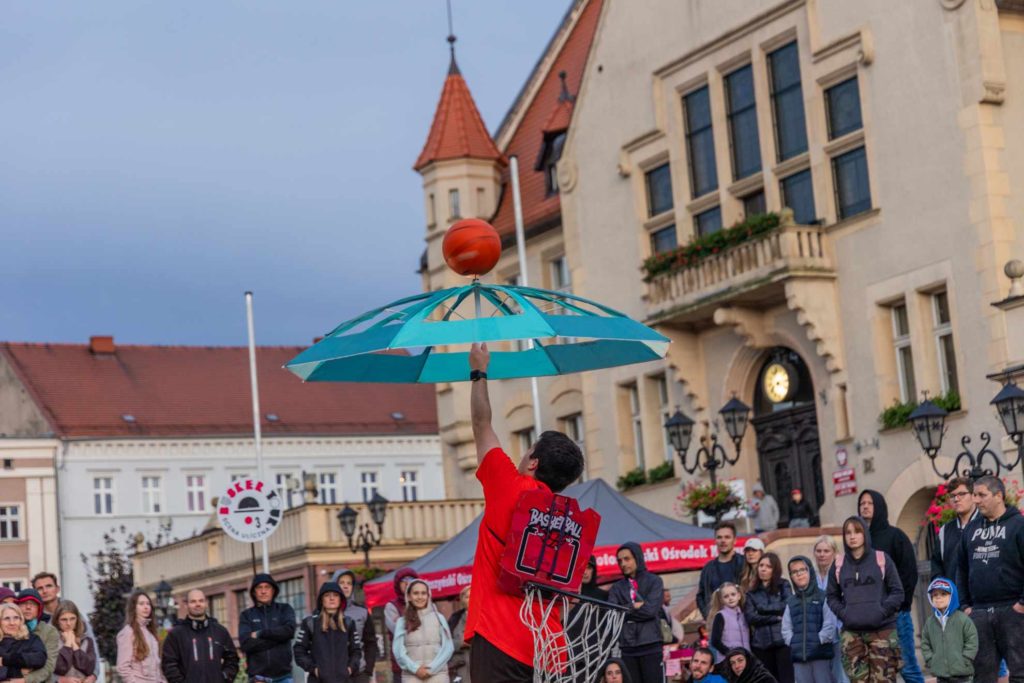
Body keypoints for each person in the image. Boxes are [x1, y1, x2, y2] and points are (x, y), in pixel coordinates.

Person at [465, 343, 584, 682]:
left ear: (533, 462)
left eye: (528, 449)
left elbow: (480, 423)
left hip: (499, 635)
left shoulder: (510, 486)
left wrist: (479, 370)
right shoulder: (569, 518)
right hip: (549, 644)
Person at [955, 475, 1024, 681]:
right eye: (974, 495)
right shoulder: (971, 529)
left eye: (981, 495)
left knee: (1020, 674)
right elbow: (961, 568)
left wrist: (1022, 604)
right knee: (982, 676)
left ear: (999, 496)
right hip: (979, 613)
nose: (976, 500)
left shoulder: (1018, 525)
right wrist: (966, 606)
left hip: (1013, 611)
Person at [825, 516, 904, 683]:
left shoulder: (882, 559)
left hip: (882, 631)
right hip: (852, 634)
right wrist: (844, 613)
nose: (852, 536)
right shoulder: (838, 564)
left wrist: (881, 612)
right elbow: (831, 596)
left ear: (865, 534)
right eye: (848, 533)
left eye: (857, 532)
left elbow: (897, 592)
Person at [856, 490, 922, 683]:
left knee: (908, 668)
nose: (865, 506)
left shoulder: (895, 536)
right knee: (880, 673)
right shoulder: (857, 542)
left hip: (896, 615)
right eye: (862, 503)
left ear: (879, 506)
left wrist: (898, 604)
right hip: (868, 618)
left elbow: (909, 574)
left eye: (870, 503)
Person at [608, 542, 665, 683]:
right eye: (620, 560)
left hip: (651, 645)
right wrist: (635, 606)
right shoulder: (616, 587)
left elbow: (651, 611)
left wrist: (625, 609)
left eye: (627, 559)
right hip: (627, 648)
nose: (623, 563)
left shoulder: (655, 581)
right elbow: (614, 613)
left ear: (637, 558)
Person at [161, 589, 239, 683]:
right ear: (186, 605)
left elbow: (232, 658)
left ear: (206, 603)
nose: (198, 604)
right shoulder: (176, 634)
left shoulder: (220, 631)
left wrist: (225, 676)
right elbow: (168, 664)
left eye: (201, 601)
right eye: (193, 601)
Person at [780, 556, 836, 683]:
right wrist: (794, 642)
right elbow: (786, 628)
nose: (799, 574)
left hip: (820, 655)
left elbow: (830, 625)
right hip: (799, 657)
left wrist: (817, 640)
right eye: (794, 572)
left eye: (802, 570)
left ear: (810, 571)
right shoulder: (791, 602)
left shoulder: (823, 597)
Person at [293, 582, 361, 683]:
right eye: (327, 595)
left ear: (340, 599)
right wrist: (314, 669)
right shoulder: (310, 623)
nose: (332, 598)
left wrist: (349, 669)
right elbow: (299, 650)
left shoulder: (349, 623)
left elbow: (356, 651)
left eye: (336, 595)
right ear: (322, 600)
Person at [743, 553, 793, 683]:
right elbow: (751, 617)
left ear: (775, 569)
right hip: (761, 645)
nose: (763, 569)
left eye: (768, 566)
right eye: (761, 565)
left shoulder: (784, 585)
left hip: (782, 642)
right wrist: (775, 618)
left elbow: (786, 605)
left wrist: (762, 609)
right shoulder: (751, 593)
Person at [238, 573, 296, 683]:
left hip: (284, 677)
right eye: (259, 587)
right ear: (254, 592)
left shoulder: (284, 609)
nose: (263, 591)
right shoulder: (246, 615)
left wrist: (260, 634)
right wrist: (278, 638)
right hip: (258, 678)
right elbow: (246, 644)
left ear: (273, 590)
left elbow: (289, 631)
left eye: (267, 587)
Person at [392, 580, 453, 683]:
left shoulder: (439, 618)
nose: (420, 597)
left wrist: (431, 669)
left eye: (423, 593)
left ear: (428, 595)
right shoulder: (402, 621)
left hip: (438, 675)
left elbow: (448, 647)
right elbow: (398, 651)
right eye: (416, 593)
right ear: (409, 596)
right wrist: (415, 669)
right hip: (412, 676)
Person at [920, 577, 977, 683]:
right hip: (941, 675)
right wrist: (930, 660)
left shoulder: (963, 619)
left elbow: (972, 640)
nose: (938, 598)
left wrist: (966, 659)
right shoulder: (930, 622)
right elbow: (925, 643)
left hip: (962, 675)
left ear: (953, 596)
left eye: (943, 594)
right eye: (935, 595)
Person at [331, 569, 379, 683]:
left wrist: (368, 669)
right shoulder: (323, 613)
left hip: (359, 673)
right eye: (342, 583)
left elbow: (370, 642)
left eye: (349, 583)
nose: (346, 586)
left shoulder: (362, 612)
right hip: (333, 674)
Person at [811, 536, 847, 683]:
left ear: (834, 552)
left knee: (841, 675)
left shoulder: (842, 573)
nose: (822, 554)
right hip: (817, 634)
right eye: (818, 551)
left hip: (839, 631)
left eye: (826, 551)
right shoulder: (810, 576)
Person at [930, 477, 978, 582]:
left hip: (981, 595)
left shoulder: (986, 524)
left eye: (962, 494)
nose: (956, 499)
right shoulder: (945, 531)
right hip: (954, 595)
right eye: (952, 496)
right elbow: (937, 566)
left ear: (973, 496)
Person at [697, 522, 746, 618]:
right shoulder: (708, 569)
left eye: (727, 537)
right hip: (717, 622)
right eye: (719, 537)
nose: (723, 541)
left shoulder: (744, 564)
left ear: (735, 540)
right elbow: (700, 596)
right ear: (715, 540)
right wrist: (708, 616)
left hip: (742, 619)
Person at [115, 591, 163, 683]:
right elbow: (123, 667)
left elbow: (157, 666)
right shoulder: (128, 632)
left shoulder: (151, 633)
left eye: (148, 604)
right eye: (141, 604)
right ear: (134, 608)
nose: (146, 607)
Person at [385, 568, 420, 681]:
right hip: (402, 666)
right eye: (403, 580)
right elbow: (400, 632)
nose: (407, 582)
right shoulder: (391, 607)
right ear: (397, 584)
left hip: (424, 664)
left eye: (411, 579)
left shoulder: (426, 604)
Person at [16, 590, 58, 683]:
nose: (28, 607)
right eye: (23, 603)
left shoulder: (49, 631)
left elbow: (49, 665)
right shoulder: (10, 628)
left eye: (33, 604)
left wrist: (25, 680)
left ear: (39, 608)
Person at [0, 602, 47, 683]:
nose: (12, 623)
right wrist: (17, 671)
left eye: (16, 618)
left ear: (21, 620)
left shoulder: (31, 639)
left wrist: (5, 660)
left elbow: (39, 659)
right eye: (7, 618)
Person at [53, 601, 97, 683]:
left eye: (72, 618)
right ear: (57, 621)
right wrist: (67, 644)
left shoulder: (87, 640)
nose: (68, 623)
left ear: (77, 619)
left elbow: (89, 669)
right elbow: (60, 668)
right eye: (64, 619)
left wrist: (75, 646)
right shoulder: (51, 641)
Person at [707, 583, 749, 665]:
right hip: (728, 661)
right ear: (722, 600)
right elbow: (715, 641)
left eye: (733, 594)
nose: (730, 598)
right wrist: (730, 654)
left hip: (746, 659)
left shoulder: (744, 615)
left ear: (739, 596)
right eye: (726, 596)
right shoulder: (720, 616)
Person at [446, 587, 470, 683]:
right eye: (467, 597)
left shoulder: (485, 617)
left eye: (473, 596)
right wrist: (460, 643)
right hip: (461, 668)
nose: (471, 599)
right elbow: (445, 643)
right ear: (462, 601)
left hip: (483, 666)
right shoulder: (454, 619)